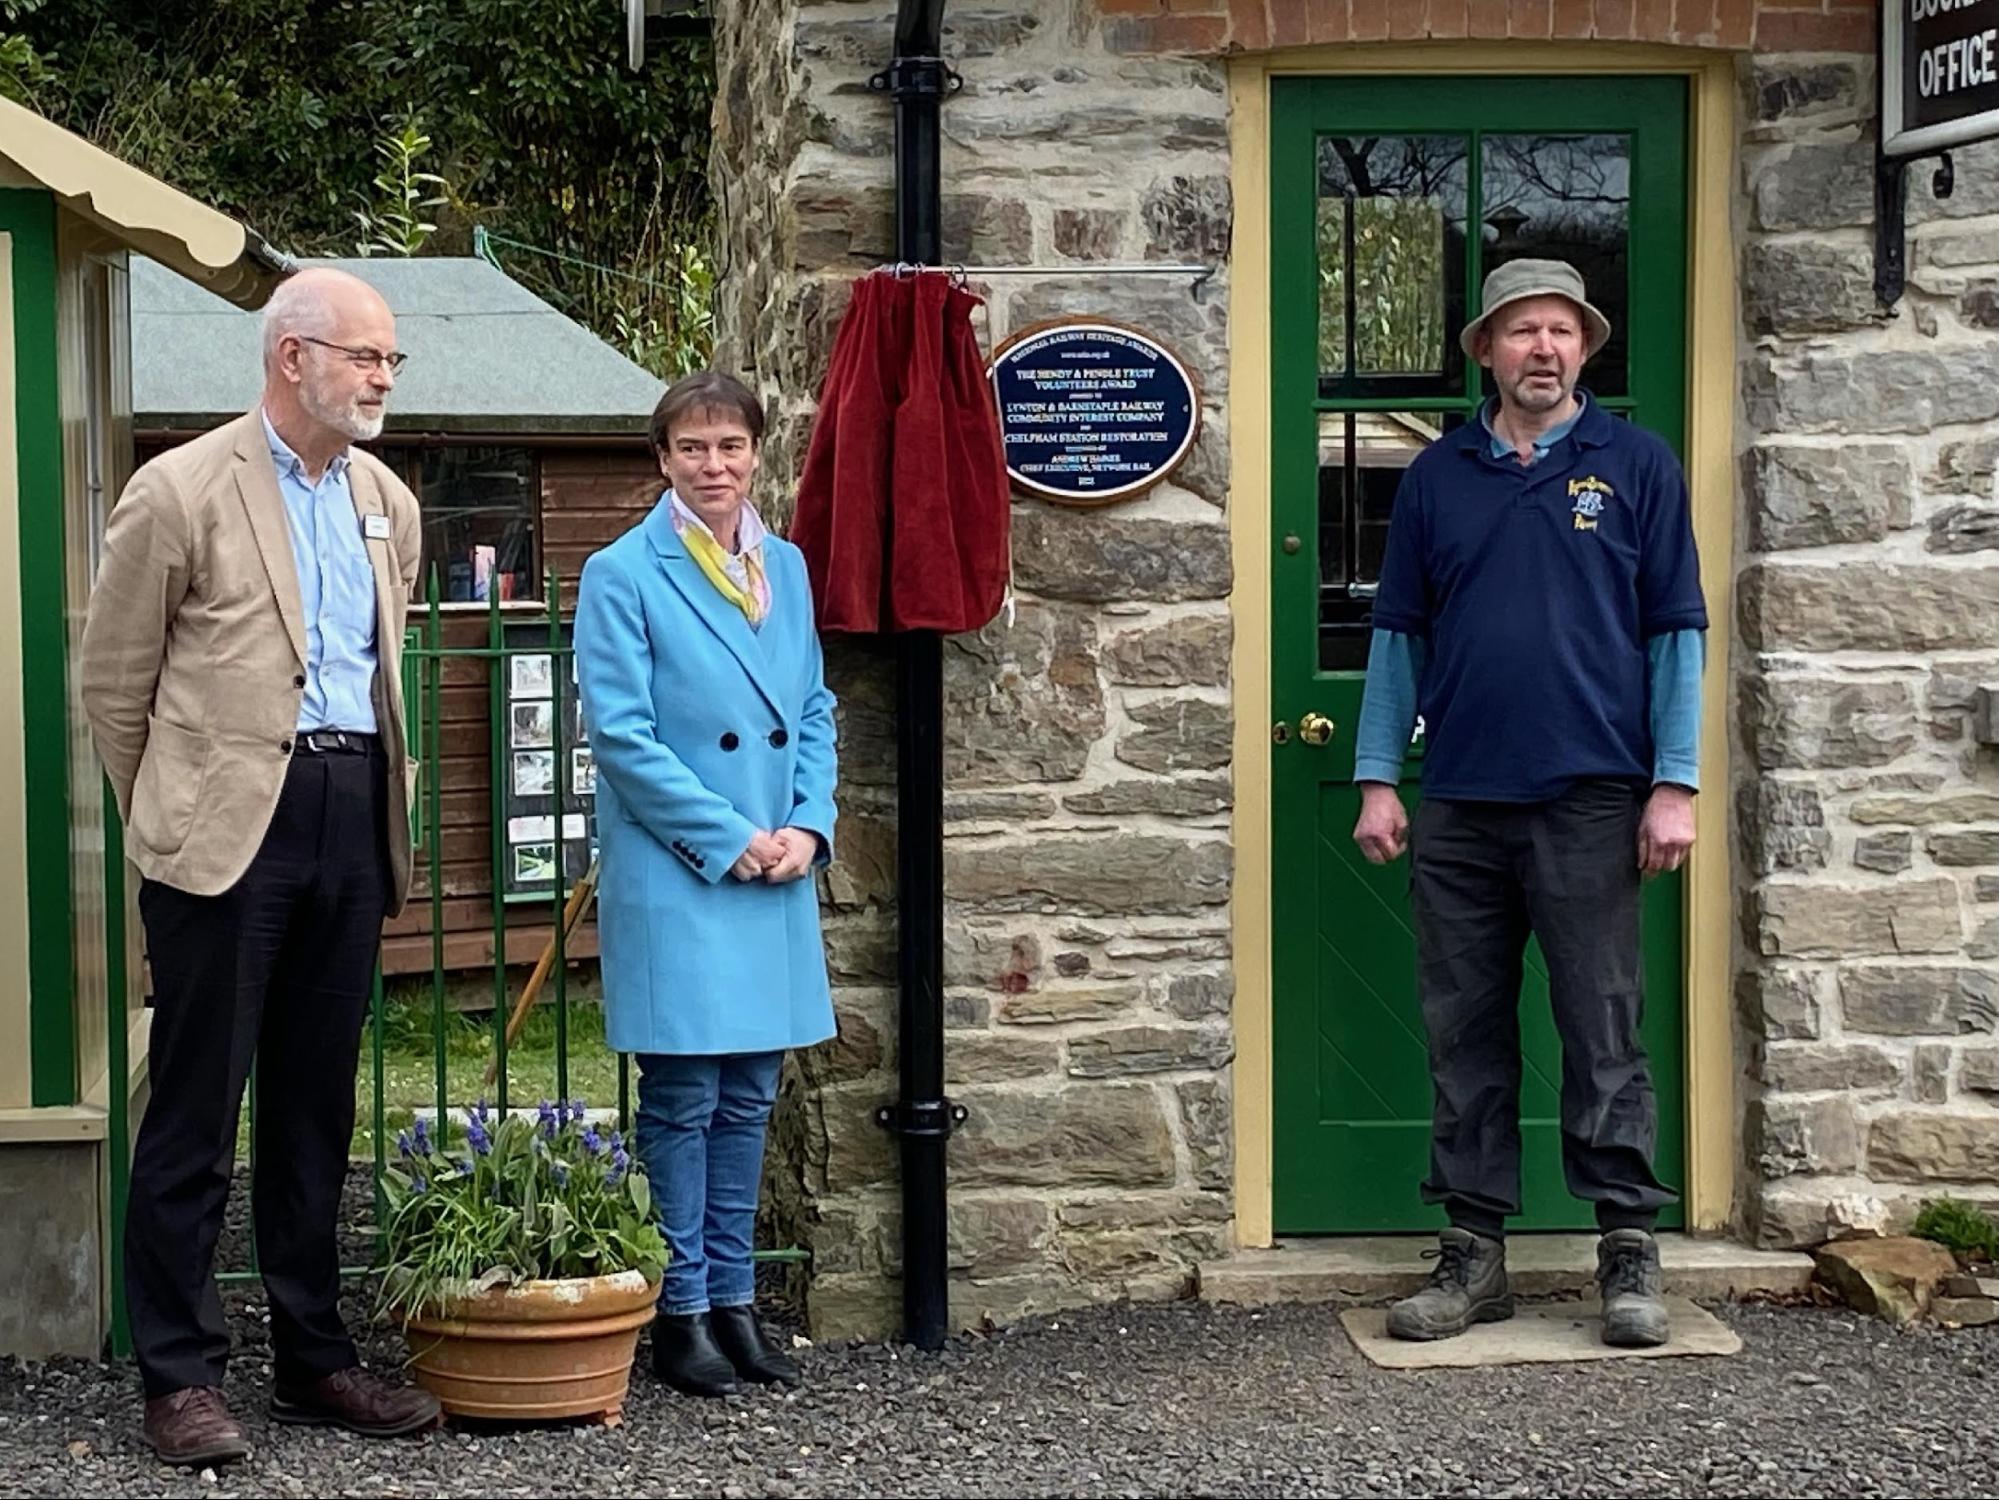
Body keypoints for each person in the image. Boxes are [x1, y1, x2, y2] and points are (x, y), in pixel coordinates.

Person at [79, 267, 440, 1465]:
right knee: (192, 1112)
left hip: (351, 812)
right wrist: (169, 821)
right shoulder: (179, 489)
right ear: (294, 357)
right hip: (226, 833)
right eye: (365, 356)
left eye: (391, 360)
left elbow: (380, 670)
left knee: (312, 1110)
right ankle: (178, 1376)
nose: (383, 377)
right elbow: (113, 685)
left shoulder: (387, 498)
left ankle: (313, 1359)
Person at [1350, 259, 1707, 1349]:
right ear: (1486, 352)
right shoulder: (1436, 477)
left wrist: (1675, 784)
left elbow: (1674, 635)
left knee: (1602, 1029)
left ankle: (1626, 1250)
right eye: (1520, 332)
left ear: (1584, 349)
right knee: (1465, 1031)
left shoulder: (1636, 465)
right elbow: (1398, 636)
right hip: (1458, 798)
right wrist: (1376, 775)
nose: (1541, 349)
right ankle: (1472, 1254)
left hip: (1593, 798)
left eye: (1560, 331)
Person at [573, 370, 837, 1398]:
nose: (713, 465)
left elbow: (812, 707)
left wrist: (808, 828)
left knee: (751, 1097)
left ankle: (735, 1303)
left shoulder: (793, 568)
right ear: (662, 460)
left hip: (777, 859)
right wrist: (728, 837)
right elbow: (624, 740)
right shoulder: (621, 572)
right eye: (692, 449)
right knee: (682, 1100)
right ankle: (678, 1312)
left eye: (729, 446)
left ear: (757, 453)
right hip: (685, 867)